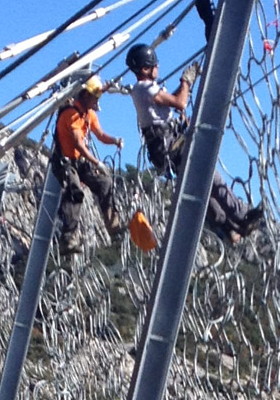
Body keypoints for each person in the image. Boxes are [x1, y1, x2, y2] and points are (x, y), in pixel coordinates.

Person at [125, 43, 263, 244]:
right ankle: (241, 216)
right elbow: (180, 102)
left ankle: (229, 228)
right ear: (146, 68)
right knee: (211, 177)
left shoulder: (142, 91)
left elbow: (169, 102)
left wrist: (185, 86)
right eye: (155, 64)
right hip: (171, 146)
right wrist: (186, 81)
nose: (158, 67)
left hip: (166, 149)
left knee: (203, 188)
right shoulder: (145, 88)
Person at [53, 75, 124, 254]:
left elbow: (99, 134)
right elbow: (78, 144)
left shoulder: (88, 114)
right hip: (65, 163)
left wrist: (115, 140)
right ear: (85, 95)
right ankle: (68, 238)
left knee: (104, 183)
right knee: (75, 191)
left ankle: (112, 223)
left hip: (79, 162)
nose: (96, 101)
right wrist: (97, 162)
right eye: (94, 96)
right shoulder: (72, 114)